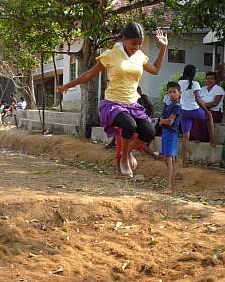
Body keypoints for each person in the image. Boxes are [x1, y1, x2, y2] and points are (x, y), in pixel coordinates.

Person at [58, 22, 168, 177]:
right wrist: (68, 85)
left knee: (149, 132)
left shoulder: (140, 56)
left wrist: (163, 47)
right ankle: (123, 160)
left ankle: (128, 152)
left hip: (133, 104)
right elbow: (89, 74)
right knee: (129, 126)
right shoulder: (111, 54)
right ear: (124, 39)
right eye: (133, 43)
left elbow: (155, 70)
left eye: (139, 44)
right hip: (113, 104)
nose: (136, 47)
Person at [179, 64, 216, 168]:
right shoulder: (195, 84)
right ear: (194, 73)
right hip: (194, 110)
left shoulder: (179, 82)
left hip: (183, 112)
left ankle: (184, 163)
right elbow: (198, 100)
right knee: (209, 117)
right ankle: (213, 141)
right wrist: (206, 111)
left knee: (185, 137)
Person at [159, 82, 181, 193]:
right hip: (165, 133)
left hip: (171, 133)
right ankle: (171, 185)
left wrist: (162, 121)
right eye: (170, 92)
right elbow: (162, 119)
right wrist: (163, 121)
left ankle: (169, 187)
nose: (172, 94)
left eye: (174, 92)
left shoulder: (176, 106)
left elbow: (169, 121)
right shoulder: (168, 106)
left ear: (179, 93)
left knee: (169, 159)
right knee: (168, 159)